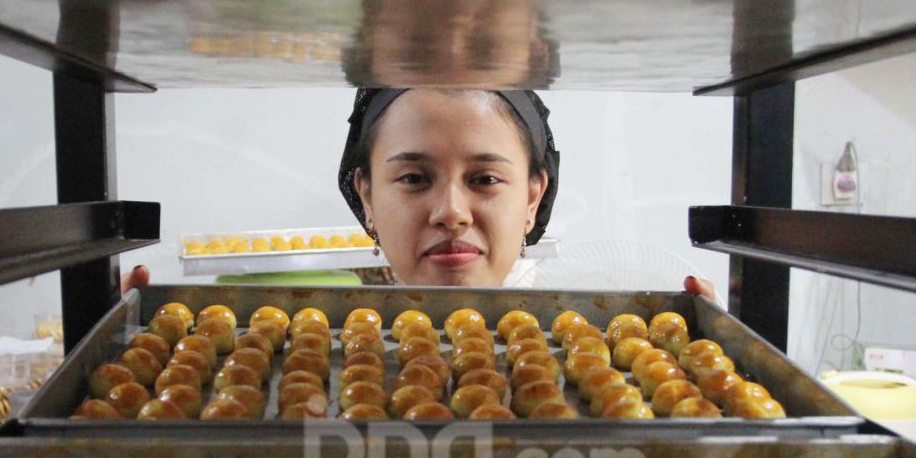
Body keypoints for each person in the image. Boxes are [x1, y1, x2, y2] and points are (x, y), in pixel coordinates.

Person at [124, 87, 715, 297]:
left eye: (485, 179)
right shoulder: (321, 337)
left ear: (534, 197)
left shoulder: (601, 331)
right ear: (365, 198)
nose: (452, 212)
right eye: (412, 178)